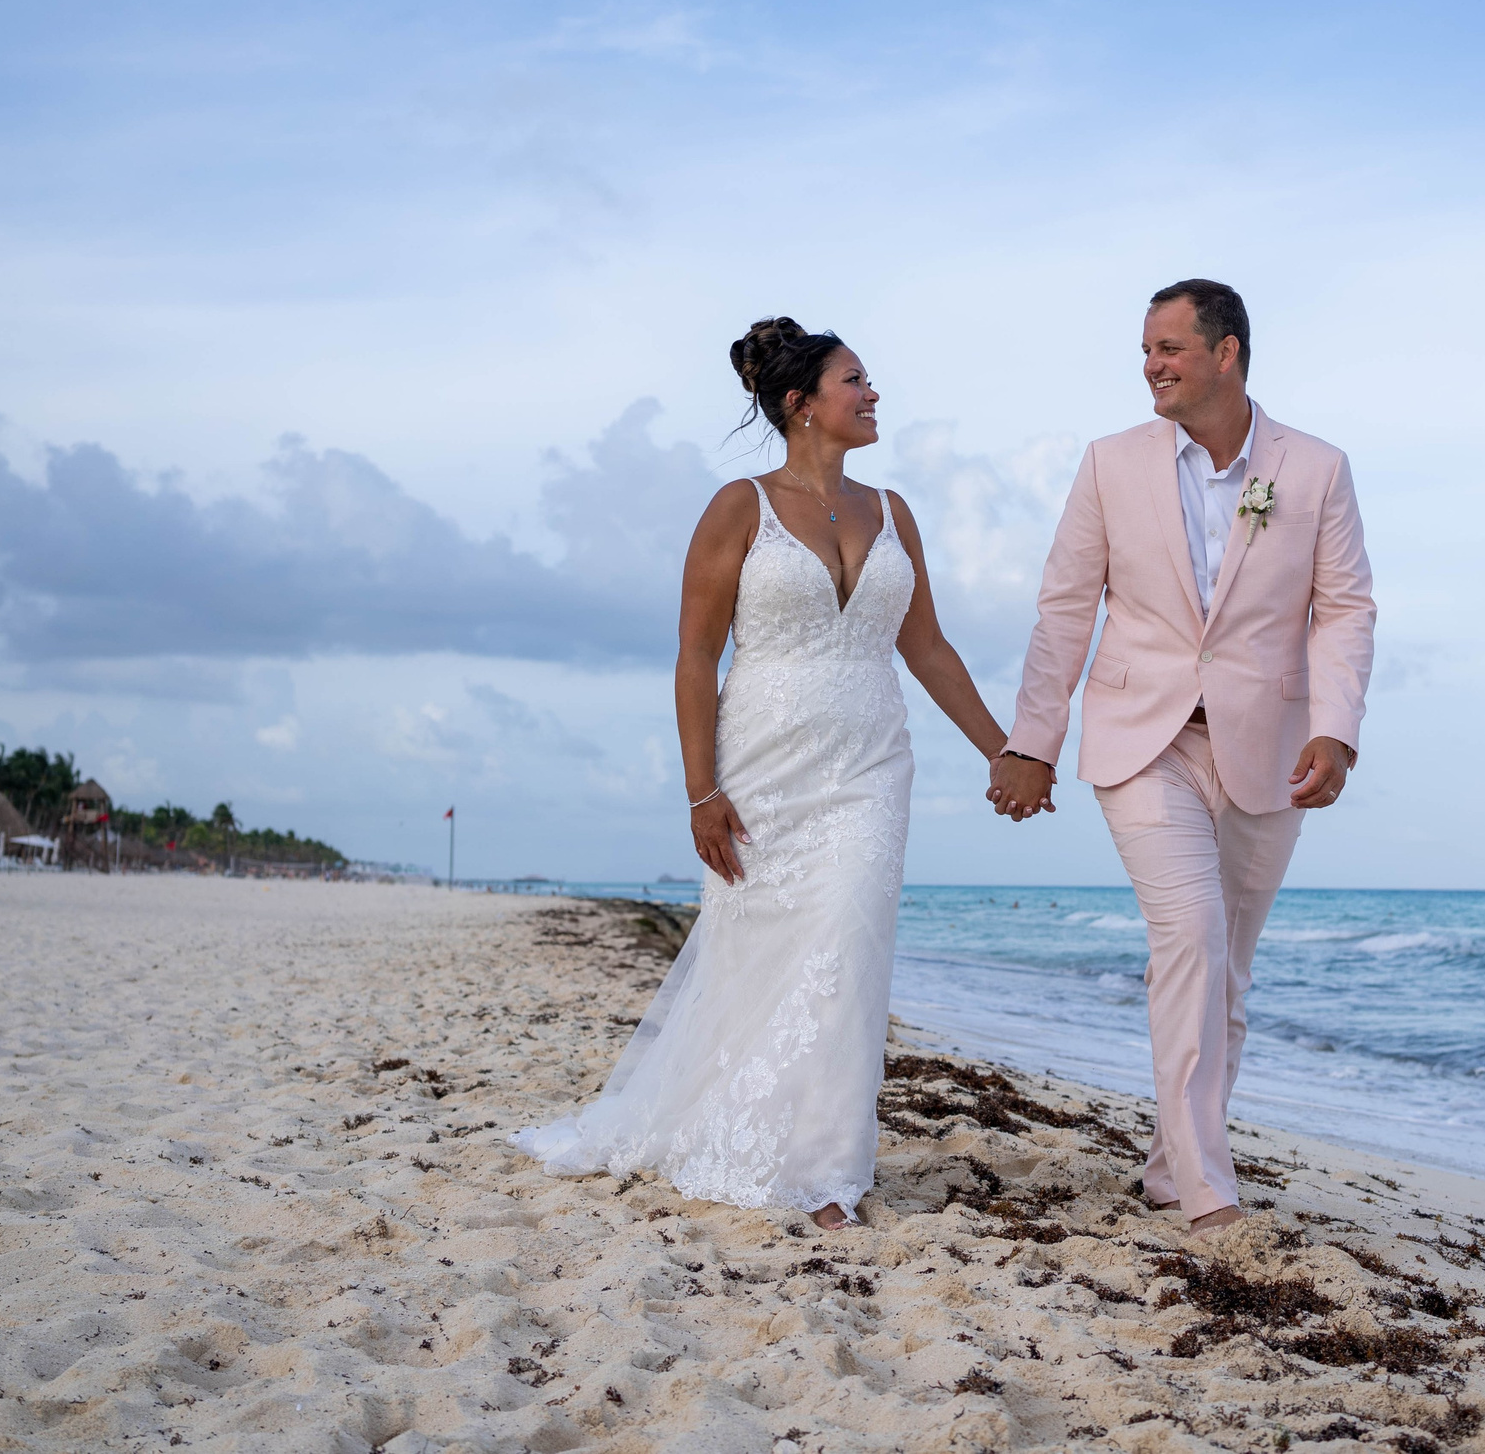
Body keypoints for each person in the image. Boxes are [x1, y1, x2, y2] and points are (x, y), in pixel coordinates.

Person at [512, 317, 1009, 1231]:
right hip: (763, 766)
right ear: (801, 405)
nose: (872, 394)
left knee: (850, 947)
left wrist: (1001, 747)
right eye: (854, 381)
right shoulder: (738, 506)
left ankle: (828, 1172)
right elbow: (695, 654)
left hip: (871, 764)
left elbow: (928, 647)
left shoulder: (894, 511)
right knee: (759, 957)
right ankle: (730, 1122)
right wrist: (701, 790)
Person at [990, 278, 1376, 1233]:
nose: (1153, 366)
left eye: (1169, 348)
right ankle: (1208, 1190)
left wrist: (1338, 728)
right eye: (1146, 351)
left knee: (1227, 972)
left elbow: (1345, 609)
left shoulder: (1315, 468)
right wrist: (1032, 740)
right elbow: (1066, 607)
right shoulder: (1110, 463)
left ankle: (1172, 1165)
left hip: (1268, 749)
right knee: (1193, 937)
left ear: (1227, 353)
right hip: (1140, 739)